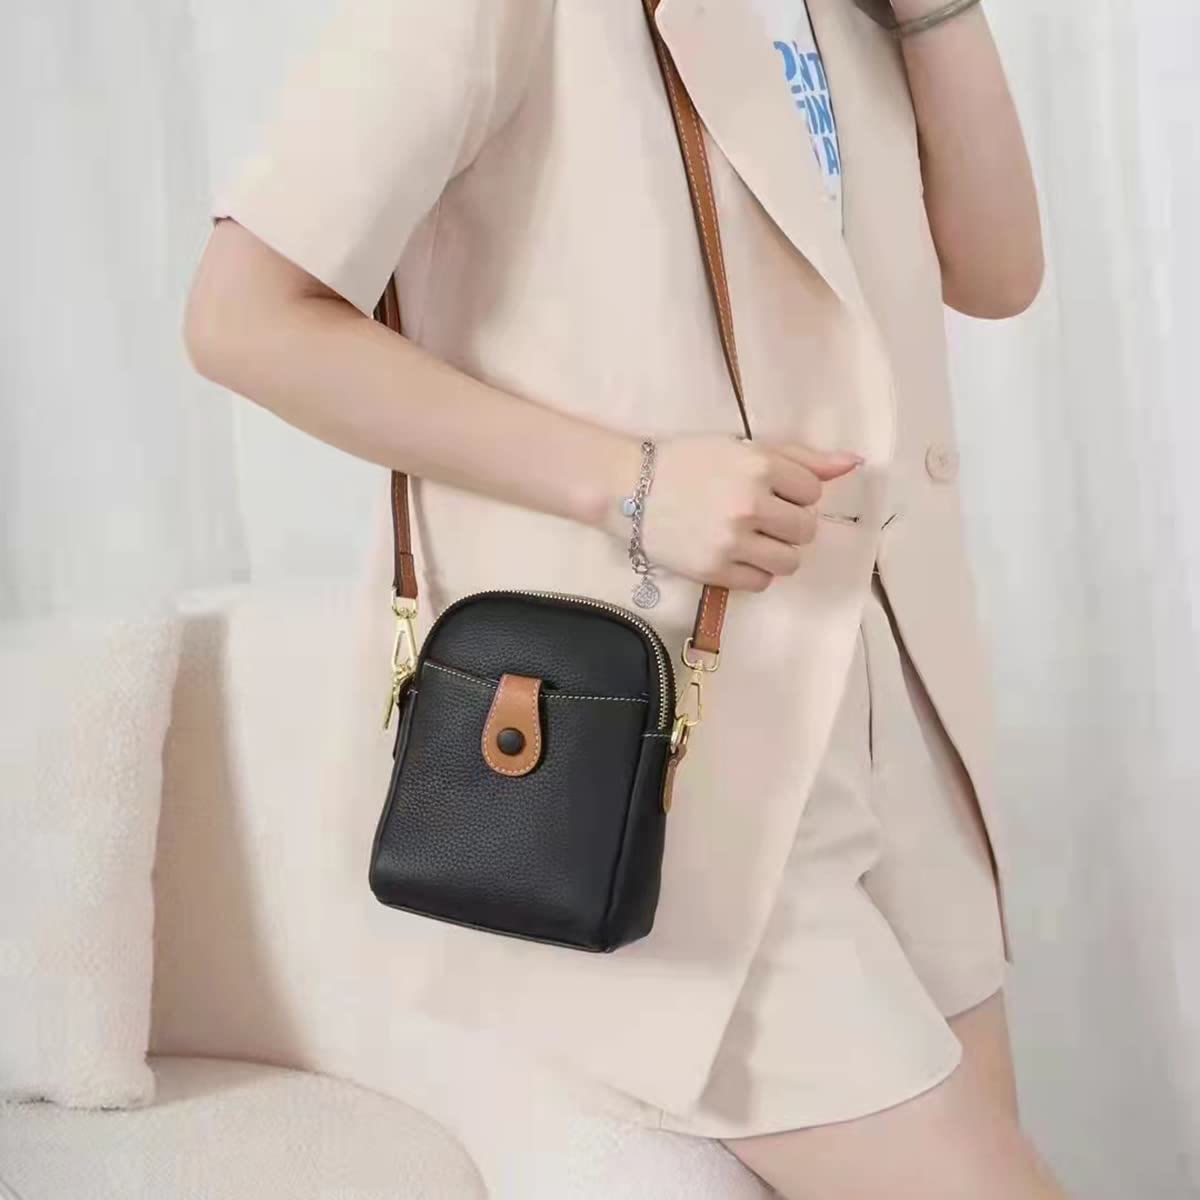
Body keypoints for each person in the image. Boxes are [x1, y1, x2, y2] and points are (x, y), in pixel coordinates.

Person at [184, 0, 1060, 1195]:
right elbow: (242, 316)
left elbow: (1000, 272)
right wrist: (631, 483)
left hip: (894, 714)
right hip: (671, 762)